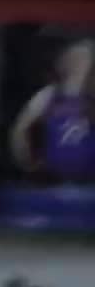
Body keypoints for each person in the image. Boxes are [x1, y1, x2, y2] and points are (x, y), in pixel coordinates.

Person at [10, 39, 95, 183]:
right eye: (75, 59)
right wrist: (28, 164)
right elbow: (21, 130)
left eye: (84, 59)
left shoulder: (91, 96)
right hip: (52, 179)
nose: (79, 64)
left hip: (88, 181)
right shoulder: (48, 94)